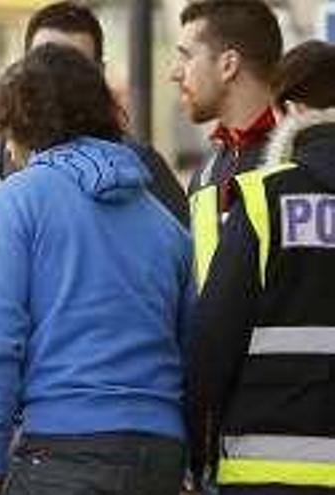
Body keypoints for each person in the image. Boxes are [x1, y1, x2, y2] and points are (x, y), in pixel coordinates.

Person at [0, 44, 194, 495]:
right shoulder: (164, 222)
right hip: (160, 452)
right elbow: (191, 345)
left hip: (61, 450)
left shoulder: (15, 203)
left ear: (20, 124)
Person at [0, 0, 188, 363]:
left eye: (72, 69)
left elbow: (182, 288)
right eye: (41, 67)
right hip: (12, 391)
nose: (55, 83)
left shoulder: (138, 170)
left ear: (98, 75)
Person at [188, 40, 335, 494]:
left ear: (289, 110)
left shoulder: (264, 198)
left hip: (266, 467)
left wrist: (198, 452)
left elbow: (215, 337)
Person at [170, 0, 282, 291]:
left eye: (186, 57)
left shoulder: (301, 161)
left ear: (228, 65)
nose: (175, 73)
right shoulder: (207, 172)